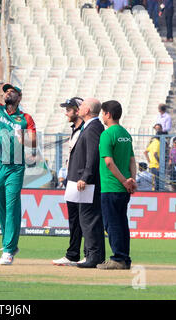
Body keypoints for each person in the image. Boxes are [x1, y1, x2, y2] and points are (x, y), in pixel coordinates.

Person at [0, 53, 37, 265]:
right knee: (0, 206)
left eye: (11, 92)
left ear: (19, 97)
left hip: (15, 167)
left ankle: (9, 249)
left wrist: (24, 139)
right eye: (5, 91)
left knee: (12, 206)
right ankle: (8, 241)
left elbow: (33, 143)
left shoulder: (25, 118)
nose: (7, 94)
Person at [65, 98, 106, 269]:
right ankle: (91, 254)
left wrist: (86, 177)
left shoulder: (93, 128)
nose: (79, 108)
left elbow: (93, 155)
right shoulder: (89, 127)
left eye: (81, 106)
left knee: (89, 219)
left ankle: (94, 256)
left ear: (87, 109)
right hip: (83, 180)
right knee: (86, 218)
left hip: (87, 182)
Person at [97, 100, 137, 270]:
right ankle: (125, 258)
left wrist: (123, 181)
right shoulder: (126, 134)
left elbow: (109, 163)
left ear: (108, 114)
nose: (102, 116)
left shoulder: (107, 134)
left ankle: (118, 258)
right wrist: (131, 181)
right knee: (121, 222)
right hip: (124, 188)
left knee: (112, 223)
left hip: (111, 185)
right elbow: (132, 160)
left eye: (103, 113)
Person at [53, 97, 88, 266]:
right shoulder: (75, 129)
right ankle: (73, 254)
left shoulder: (86, 129)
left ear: (78, 110)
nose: (66, 112)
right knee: (74, 220)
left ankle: (88, 254)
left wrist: (84, 177)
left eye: (69, 109)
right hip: (72, 179)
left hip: (82, 181)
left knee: (85, 219)